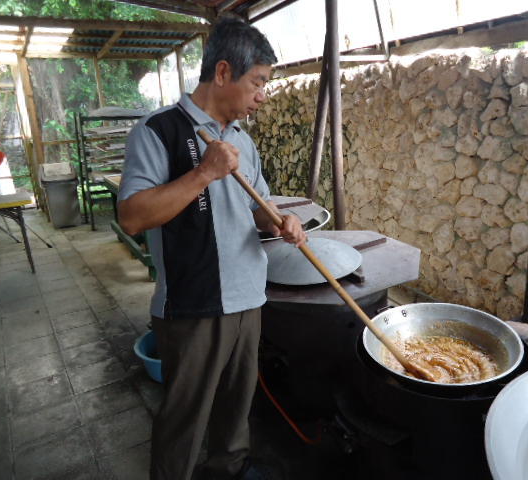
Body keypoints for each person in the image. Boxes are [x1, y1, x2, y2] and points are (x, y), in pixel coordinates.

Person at [117, 17, 306, 480]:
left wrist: (280, 220)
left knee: (237, 406)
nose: (262, 95)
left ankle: (229, 469)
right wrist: (203, 173)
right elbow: (133, 217)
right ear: (223, 72)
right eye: (257, 82)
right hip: (193, 305)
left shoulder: (242, 140)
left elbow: (257, 206)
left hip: (248, 297)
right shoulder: (158, 130)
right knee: (185, 419)